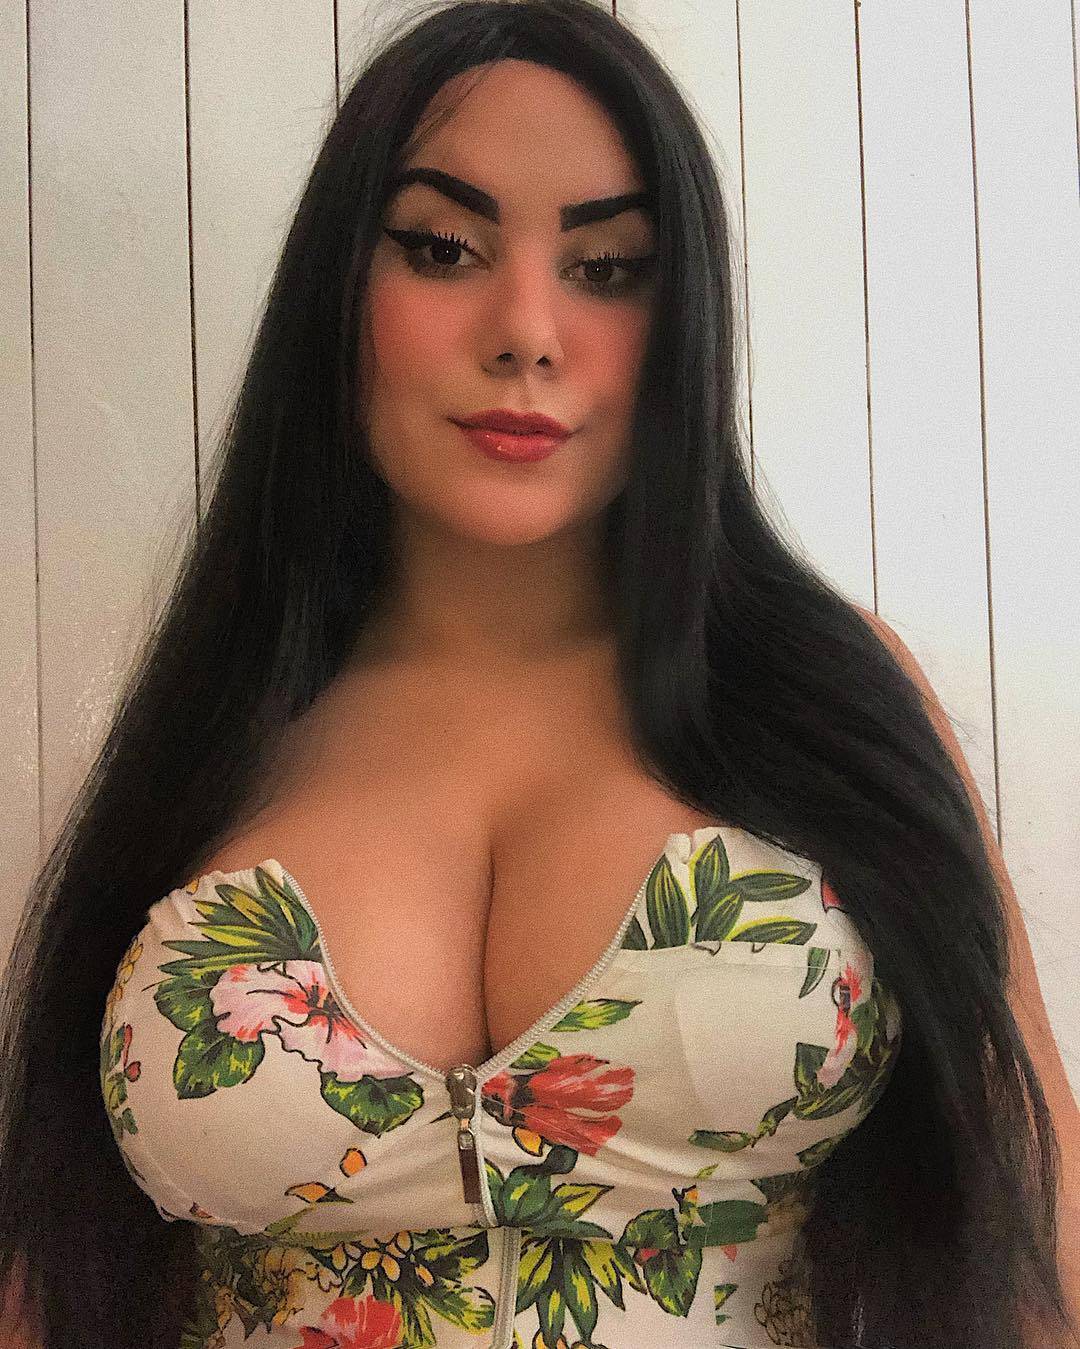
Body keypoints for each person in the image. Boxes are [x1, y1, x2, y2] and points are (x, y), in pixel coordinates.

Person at [1, 2, 1077, 1346]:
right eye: (442, 248)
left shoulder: (826, 696)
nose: (527, 330)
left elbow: (1035, 1241)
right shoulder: (217, 727)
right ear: (339, 288)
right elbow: (51, 1267)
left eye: (607, 266)